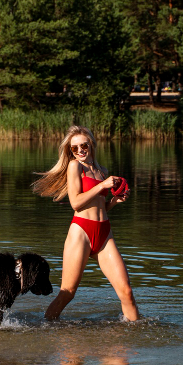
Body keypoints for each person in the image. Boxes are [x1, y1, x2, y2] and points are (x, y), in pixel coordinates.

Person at [33, 125, 139, 321]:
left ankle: (137, 336)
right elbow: (76, 202)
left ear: (91, 144)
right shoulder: (76, 167)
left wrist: (115, 201)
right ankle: (45, 327)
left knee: (127, 292)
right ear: (70, 151)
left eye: (84, 145)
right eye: (74, 148)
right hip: (81, 232)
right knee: (68, 293)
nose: (80, 150)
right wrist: (103, 185)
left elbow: (100, 207)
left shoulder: (102, 171)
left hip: (104, 232)